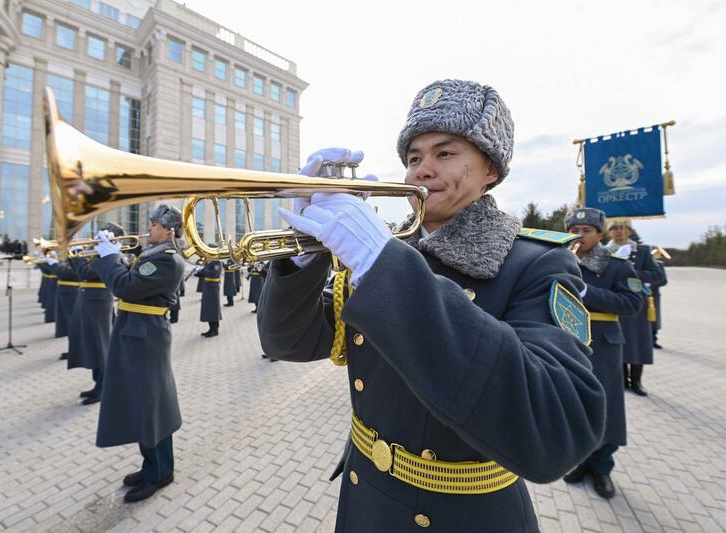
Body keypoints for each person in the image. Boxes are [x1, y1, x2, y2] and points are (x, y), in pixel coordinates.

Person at [257, 79, 606, 532]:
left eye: (445, 153)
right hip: (365, 499)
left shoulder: (538, 262)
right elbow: (287, 342)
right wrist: (305, 253)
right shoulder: (390, 251)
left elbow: (558, 430)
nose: (422, 171)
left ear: (490, 169)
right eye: (414, 158)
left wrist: (381, 262)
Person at [91, 204, 185, 503]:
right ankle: (150, 466)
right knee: (142, 405)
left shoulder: (167, 260)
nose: (149, 227)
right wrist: (115, 254)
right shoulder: (153, 255)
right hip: (136, 333)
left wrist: (111, 258)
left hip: (146, 337)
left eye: (154, 224)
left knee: (152, 407)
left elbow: (125, 286)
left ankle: (161, 473)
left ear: (168, 230)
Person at [562, 208, 642, 499]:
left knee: (606, 404)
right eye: (574, 230)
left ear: (599, 234)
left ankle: (602, 467)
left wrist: (586, 293)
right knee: (572, 402)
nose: (579, 236)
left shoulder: (617, 265)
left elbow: (632, 304)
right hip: (566, 341)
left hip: (603, 345)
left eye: (586, 230)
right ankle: (579, 460)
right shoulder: (559, 260)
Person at [67, 223, 124, 406]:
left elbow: (86, 272)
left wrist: (77, 254)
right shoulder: (98, 253)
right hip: (90, 300)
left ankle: (103, 387)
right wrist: (73, 254)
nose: (97, 238)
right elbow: (79, 271)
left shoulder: (110, 255)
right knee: (92, 345)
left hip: (98, 302)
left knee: (100, 345)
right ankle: (97, 383)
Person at [606, 220, 664, 396]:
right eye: (614, 228)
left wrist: (631, 272)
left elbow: (658, 275)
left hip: (638, 305)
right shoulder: (604, 252)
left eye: (622, 228)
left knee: (639, 343)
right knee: (620, 343)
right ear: (608, 232)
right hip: (615, 303)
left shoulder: (642, 251)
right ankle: (623, 379)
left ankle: (637, 381)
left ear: (629, 231)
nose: (618, 231)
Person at [47, 256, 81, 360]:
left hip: (72, 293)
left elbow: (65, 274)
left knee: (71, 323)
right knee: (68, 323)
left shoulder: (79, 258)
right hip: (68, 292)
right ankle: (74, 350)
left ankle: (75, 352)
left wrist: (54, 265)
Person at [196, 259, 222, 337]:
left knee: (213, 308)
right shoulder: (209, 262)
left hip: (213, 287)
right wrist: (198, 272)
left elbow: (214, 273)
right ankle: (211, 329)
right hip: (207, 286)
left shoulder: (217, 263)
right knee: (208, 308)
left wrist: (204, 270)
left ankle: (214, 330)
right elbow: (204, 272)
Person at [650, 248, 669, 349]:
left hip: (654, 295)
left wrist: (650, 285)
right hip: (640, 296)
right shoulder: (640, 265)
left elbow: (663, 280)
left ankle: (653, 340)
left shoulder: (659, 264)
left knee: (654, 319)